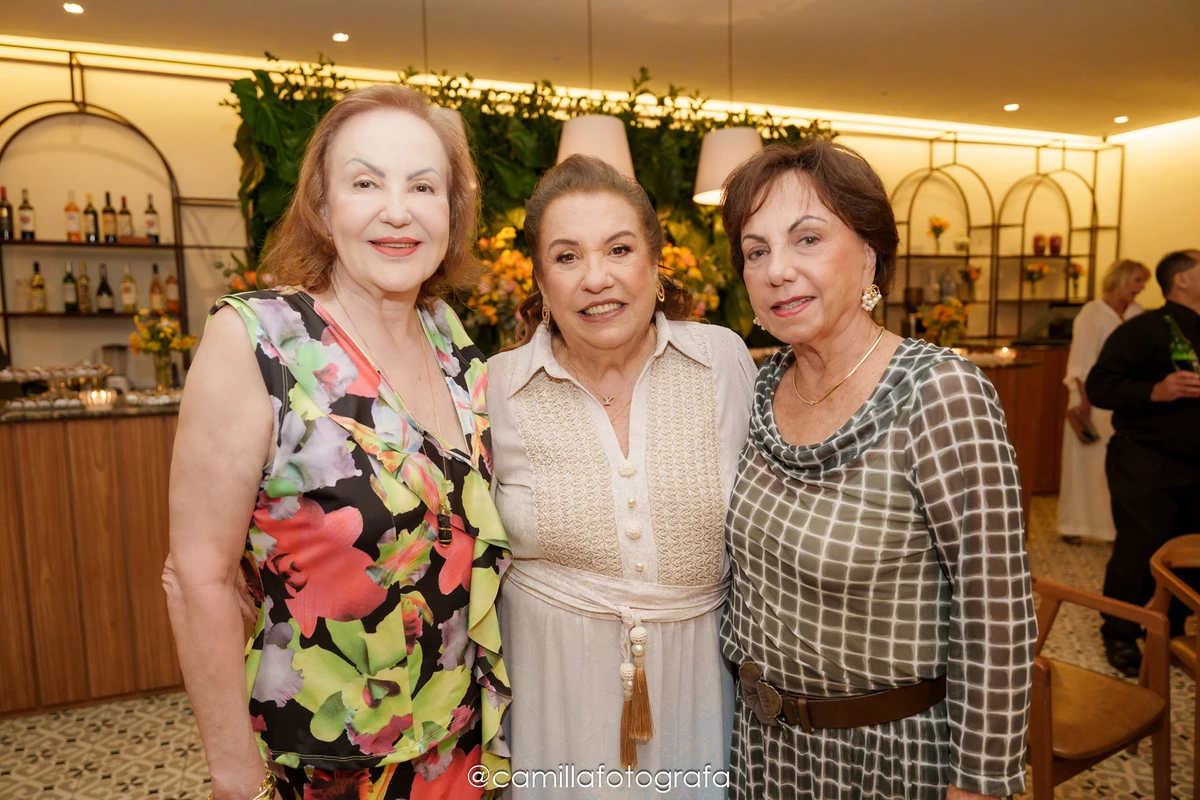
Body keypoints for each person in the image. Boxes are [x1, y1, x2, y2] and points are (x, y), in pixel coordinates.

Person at [163, 85, 511, 800]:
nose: (397, 210)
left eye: (423, 185)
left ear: (452, 211)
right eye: (365, 182)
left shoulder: (453, 343)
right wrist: (236, 781)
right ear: (322, 207)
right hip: (322, 770)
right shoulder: (260, 342)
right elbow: (195, 579)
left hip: (463, 755)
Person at [718, 140, 1036, 800]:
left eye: (807, 239)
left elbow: (997, 610)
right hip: (762, 748)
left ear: (869, 253)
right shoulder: (756, 385)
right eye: (756, 250)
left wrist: (981, 784)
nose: (777, 269)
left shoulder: (940, 391)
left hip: (890, 756)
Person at [487, 154, 756, 797]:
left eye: (619, 248)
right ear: (540, 281)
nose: (596, 278)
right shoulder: (494, 388)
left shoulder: (722, 361)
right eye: (567, 256)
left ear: (656, 264)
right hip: (552, 695)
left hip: (701, 693)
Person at [1088, 249, 1200, 677]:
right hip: (1145, 464)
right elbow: (1100, 385)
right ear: (1182, 281)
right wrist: (1157, 389)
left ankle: (1170, 630)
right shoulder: (1145, 329)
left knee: (1189, 557)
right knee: (1138, 554)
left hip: (1195, 468)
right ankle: (1118, 633)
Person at [1058, 259, 1149, 544]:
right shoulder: (1091, 314)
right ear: (1119, 280)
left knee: (1115, 466)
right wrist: (1086, 401)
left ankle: (1111, 527)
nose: (1141, 287)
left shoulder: (1137, 313)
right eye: (1136, 280)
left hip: (1120, 398)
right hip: (1091, 397)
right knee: (1085, 462)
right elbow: (1082, 362)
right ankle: (1074, 524)